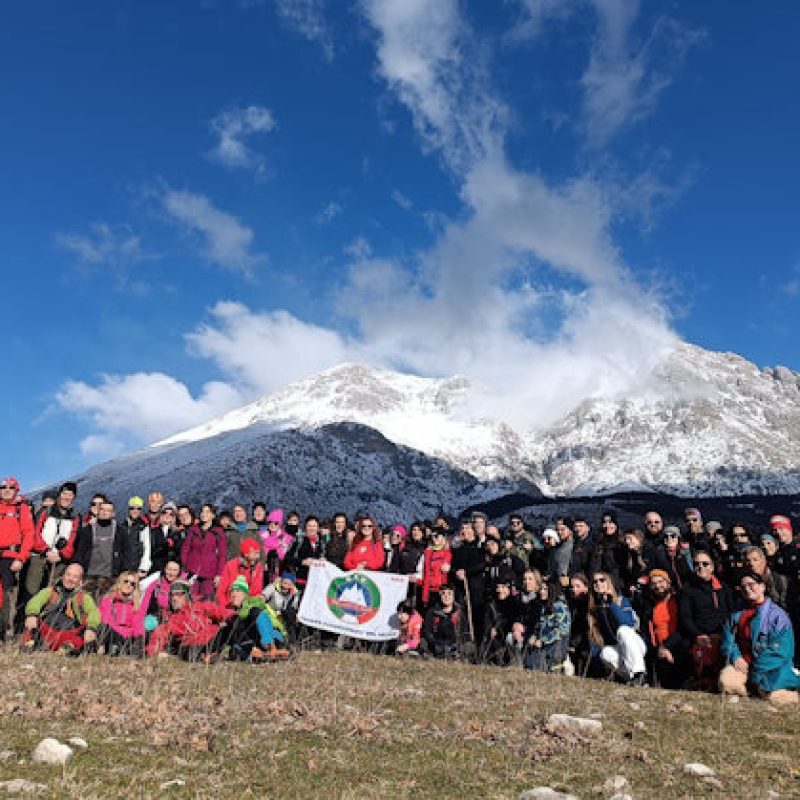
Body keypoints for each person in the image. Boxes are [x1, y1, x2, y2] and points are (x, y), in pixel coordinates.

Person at [719, 571, 800, 704]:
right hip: (744, 664)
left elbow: (781, 651)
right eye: (743, 586)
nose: (747, 589)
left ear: (762, 586)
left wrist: (755, 671)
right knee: (727, 683)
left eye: (751, 584)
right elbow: (728, 639)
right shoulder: (737, 613)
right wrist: (736, 657)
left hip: (771, 667)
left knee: (772, 695)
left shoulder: (778, 616)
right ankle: (752, 689)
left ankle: (790, 686)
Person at [678, 551, 732, 690]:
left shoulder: (723, 588)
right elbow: (685, 617)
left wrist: (722, 633)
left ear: (712, 567)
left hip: (721, 634)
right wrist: (698, 635)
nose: (700, 567)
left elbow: (729, 613)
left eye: (705, 564)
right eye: (696, 564)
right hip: (699, 635)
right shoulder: (687, 590)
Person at [23, 563, 100, 654]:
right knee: (32, 630)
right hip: (46, 631)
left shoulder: (84, 597)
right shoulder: (49, 591)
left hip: (70, 634)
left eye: (75, 577)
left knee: (81, 638)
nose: (70, 579)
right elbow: (35, 602)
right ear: (63, 576)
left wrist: (91, 628)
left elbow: (93, 612)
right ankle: (31, 645)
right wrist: (32, 615)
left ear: (80, 581)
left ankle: (67, 649)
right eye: (68, 575)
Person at [145, 580, 231, 661]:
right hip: (192, 646)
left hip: (212, 638)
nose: (174, 598)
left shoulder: (201, 606)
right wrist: (154, 652)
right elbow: (159, 636)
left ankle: (237, 651)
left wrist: (232, 617)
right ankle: (207, 656)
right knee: (187, 651)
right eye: (172, 595)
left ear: (187, 595)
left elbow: (222, 613)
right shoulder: (172, 620)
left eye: (179, 594)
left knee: (235, 624)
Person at [587, 571, 647, 686]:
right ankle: (634, 680)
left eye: (602, 580)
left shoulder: (621, 600)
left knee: (622, 630)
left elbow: (627, 623)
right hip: (617, 649)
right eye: (594, 582)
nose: (598, 584)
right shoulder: (594, 610)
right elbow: (595, 639)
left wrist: (611, 603)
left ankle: (640, 672)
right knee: (605, 654)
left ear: (609, 582)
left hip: (635, 644)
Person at [26, 482, 80, 601]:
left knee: (53, 591)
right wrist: (46, 550)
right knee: (32, 589)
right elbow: (36, 532)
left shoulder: (75, 517)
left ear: (74, 498)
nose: (66, 497)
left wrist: (61, 555)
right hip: (40, 555)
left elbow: (73, 539)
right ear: (59, 495)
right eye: (64, 493)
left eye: (70, 495)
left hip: (60, 560)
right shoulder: (46, 511)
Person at [72, 500, 137, 599]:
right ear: (98, 511)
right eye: (102, 509)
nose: (104, 512)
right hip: (88, 577)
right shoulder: (88, 530)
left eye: (108, 510)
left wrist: (123, 574)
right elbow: (80, 552)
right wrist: (78, 573)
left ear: (113, 513)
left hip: (111, 578)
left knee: (105, 608)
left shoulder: (120, 531)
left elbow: (127, 553)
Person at [222, 576, 289, 661]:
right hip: (252, 643)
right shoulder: (233, 612)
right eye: (232, 591)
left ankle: (270, 647)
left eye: (238, 591)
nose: (234, 594)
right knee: (230, 625)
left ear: (245, 594)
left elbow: (262, 618)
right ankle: (210, 652)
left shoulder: (253, 604)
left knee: (251, 613)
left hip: (273, 636)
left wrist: (267, 642)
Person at [639, 569, 686, 689]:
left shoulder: (679, 600)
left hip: (679, 646)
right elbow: (647, 631)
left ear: (668, 582)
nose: (657, 586)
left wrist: (667, 646)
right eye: (653, 584)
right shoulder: (650, 605)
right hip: (658, 651)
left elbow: (684, 627)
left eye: (661, 582)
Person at [0, 477, 34, 636]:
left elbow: (29, 535)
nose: (6, 490)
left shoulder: (22, 509)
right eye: (4, 487)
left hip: (11, 557)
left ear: (16, 491)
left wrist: (21, 558)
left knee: (9, 596)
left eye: (10, 488)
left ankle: (7, 632)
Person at [524, 578, 571, 672]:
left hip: (555, 647)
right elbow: (538, 626)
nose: (542, 592)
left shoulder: (560, 606)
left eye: (545, 589)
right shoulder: (542, 606)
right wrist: (533, 636)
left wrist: (543, 640)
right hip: (542, 645)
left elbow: (561, 631)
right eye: (541, 589)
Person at [181, 504, 227, 600]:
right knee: (190, 600)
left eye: (207, 512)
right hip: (192, 572)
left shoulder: (218, 532)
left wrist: (219, 574)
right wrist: (185, 567)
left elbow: (222, 555)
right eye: (202, 511)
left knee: (207, 602)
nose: (204, 514)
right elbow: (185, 550)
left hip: (209, 574)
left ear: (213, 515)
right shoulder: (193, 530)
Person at [98, 571, 146, 656]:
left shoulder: (135, 605)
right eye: (126, 581)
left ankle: (125, 650)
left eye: (132, 584)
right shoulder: (109, 599)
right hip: (111, 634)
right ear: (120, 582)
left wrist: (139, 637)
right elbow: (106, 619)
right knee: (104, 628)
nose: (128, 585)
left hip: (126, 638)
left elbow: (137, 624)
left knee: (140, 638)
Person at [422, 585, 467, 659]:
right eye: (443, 593)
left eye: (449, 593)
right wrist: (436, 645)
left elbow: (464, 633)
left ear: (454, 596)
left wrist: (455, 645)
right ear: (440, 596)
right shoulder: (432, 612)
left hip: (454, 647)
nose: (446, 596)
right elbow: (427, 631)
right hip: (436, 646)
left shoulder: (459, 613)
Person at [216, 538, 265, 606]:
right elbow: (221, 591)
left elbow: (257, 591)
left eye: (258, 553)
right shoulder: (231, 565)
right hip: (230, 605)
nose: (258, 556)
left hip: (248, 605)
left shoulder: (258, 567)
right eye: (254, 553)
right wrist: (225, 607)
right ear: (245, 554)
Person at [141, 560, 185, 629]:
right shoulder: (158, 582)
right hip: (157, 616)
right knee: (146, 625)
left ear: (179, 571)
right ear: (164, 569)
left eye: (175, 570)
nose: (171, 573)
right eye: (169, 569)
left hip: (176, 618)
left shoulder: (184, 585)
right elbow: (145, 602)